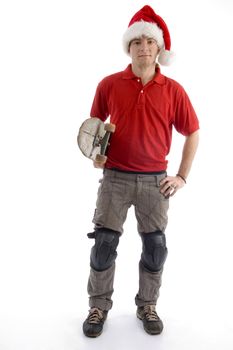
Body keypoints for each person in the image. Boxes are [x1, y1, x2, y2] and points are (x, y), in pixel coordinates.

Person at [82, 5, 199, 337]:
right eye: (137, 42)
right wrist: (96, 156)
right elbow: (94, 128)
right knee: (103, 244)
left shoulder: (173, 90)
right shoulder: (109, 84)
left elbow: (193, 131)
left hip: (155, 182)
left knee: (156, 247)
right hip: (115, 179)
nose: (144, 47)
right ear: (128, 47)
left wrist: (181, 176)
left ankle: (147, 305)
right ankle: (98, 306)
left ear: (159, 47)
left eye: (150, 41)